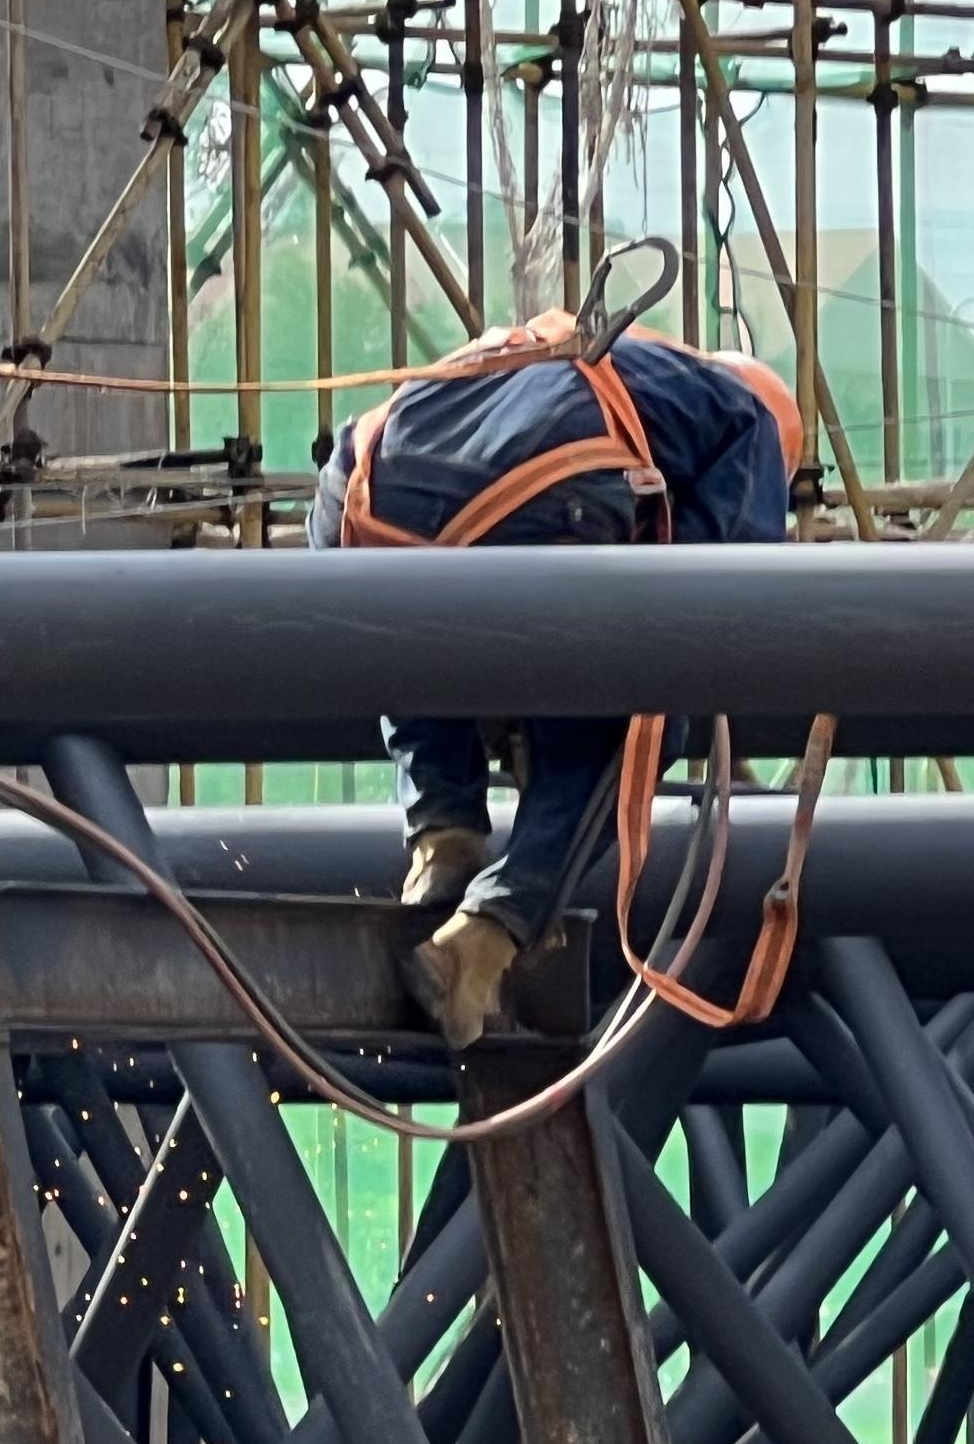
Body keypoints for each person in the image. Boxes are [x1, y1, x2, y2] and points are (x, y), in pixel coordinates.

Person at [310, 313, 805, 1042]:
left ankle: (443, 838)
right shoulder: (750, 418)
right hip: (539, 511)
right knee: (634, 718)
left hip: (353, 492)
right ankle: (484, 935)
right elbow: (710, 597)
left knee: (418, 647)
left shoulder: (557, 352)